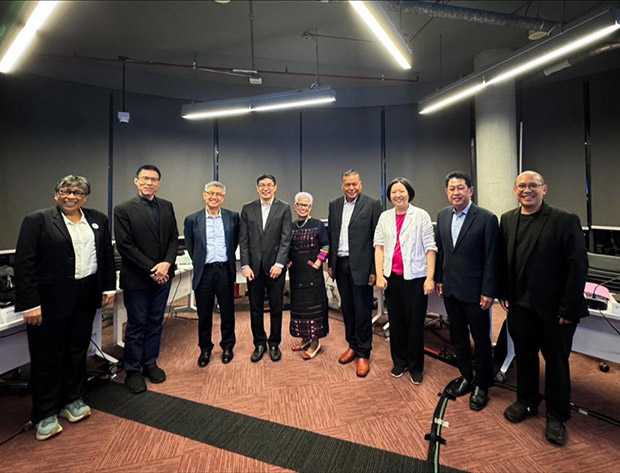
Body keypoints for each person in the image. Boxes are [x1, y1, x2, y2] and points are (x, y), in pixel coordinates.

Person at [14, 175, 116, 440]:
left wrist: (108, 288)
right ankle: (45, 413)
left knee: (76, 350)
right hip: (49, 300)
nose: (71, 196)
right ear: (56, 194)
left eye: (78, 192)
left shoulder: (97, 219)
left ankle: (72, 399)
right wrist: (30, 304)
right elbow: (24, 264)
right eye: (65, 191)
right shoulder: (38, 220)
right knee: (48, 356)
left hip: (85, 295)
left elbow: (105, 255)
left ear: (85, 196)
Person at [499, 170, 588, 446]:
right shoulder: (508, 219)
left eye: (533, 185)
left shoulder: (564, 219)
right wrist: (504, 292)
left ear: (544, 189)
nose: (527, 190)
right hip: (520, 306)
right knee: (525, 357)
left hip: (555, 311)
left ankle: (557, 415)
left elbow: (578, 266)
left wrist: (568, 308)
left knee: (556, 363)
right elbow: (505, 260)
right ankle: (527, 401)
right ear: (515, 191)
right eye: (522, 186)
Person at [435, 171, 499, 410]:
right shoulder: (442, 216)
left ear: (470, 191)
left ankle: (483, 384)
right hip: (450, 288)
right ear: (446, 192)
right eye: (451, 189)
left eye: (460, 188)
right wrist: (439, 279)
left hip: (476, 292)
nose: (456, 192)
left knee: (481, 340)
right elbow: (442, 252)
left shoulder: (486, 218)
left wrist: (489, 290)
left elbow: (492, 258)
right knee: (458, 336)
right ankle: (466, 376)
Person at [114, 164, 179, 394]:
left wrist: (167, 264)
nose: (149, 182)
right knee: (137, 323)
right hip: (138, 278)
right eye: (145, 178)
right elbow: (125, 245)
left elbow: (173, 238)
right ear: (136, 181)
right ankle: (133, 370)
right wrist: (153, 269)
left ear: (158, 183)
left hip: (163, 276)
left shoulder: (167, 206)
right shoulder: (123, 209)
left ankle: (150, 363)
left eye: (153, 179)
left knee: (155, 321)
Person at [374, 177, 436, 385]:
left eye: (401, 191)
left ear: (409, 193)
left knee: (415, 324)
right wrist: (380, 274)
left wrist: (430, 278)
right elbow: (379, 247)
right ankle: (399, 361)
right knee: (396, 322)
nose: (398, 195)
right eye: (394, 192)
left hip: (416, 278)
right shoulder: (384, 217)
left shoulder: (421, 216)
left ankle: (416, 366)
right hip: (392, 278)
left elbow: (430, 248)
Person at [328, 169, 382, 377]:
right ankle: (352, 345)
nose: (351, 188)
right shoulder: (334, 205)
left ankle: (363, 353)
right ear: (342, 186)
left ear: (361, 184)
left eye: (354, 184)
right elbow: (332, 235)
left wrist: (374, 269)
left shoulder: (372, 205)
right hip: (340, 264)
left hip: (363, 267)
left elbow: (377, 239)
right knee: (347, 309)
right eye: (347, 185)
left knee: (362, 310)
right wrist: (332, 263)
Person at [184, 181, 239, 367]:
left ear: (223, 198)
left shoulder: (232, 217)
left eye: (218, 194)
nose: (214, 197)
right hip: (204, 272)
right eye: (211, 193)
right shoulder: (192, 220)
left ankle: (228, 346)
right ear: (204, 195)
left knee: (227, 312)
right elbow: (191, 247)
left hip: (224, 270)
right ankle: (205, 349)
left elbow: (234, 242)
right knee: (204, 314)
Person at [240, 174, 292, 362]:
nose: (266, 188)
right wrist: (245, 265)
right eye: (262, 185)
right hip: (253, 269)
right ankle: (259, 343)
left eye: (269, 185)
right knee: (255, 308)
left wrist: (279, 264)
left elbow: (286, 239)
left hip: (275, 268)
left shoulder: (284, 208)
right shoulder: (247, 209)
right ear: (257, 188)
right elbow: (243, 240)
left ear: (275, 187)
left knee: (276, 307)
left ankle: (274, 343)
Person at [288, 192, 329, 359]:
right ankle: (305, 338)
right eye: (300, 204)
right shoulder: (291, 226)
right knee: (300, 308)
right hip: (296, 274)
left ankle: (315, 342)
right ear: (295, 207)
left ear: (310, 207)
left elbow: (326, 246)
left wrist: (318, 263)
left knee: (313, 309)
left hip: (313, 274)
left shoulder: (318, 224)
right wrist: (288, 262)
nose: (302, 208)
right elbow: (285, 247)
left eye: (306, 205)